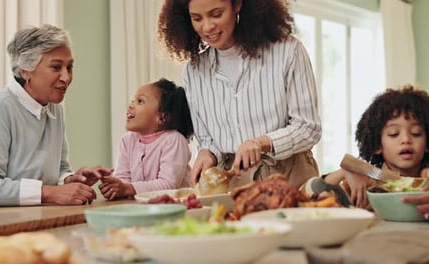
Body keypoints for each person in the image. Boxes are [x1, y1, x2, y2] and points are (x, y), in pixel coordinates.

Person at [0, 24, 113, 210]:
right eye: (56, 67)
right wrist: (49, 192)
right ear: (26, 70)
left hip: (7, 224)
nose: (66, 77)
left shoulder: (54, 110)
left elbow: (58, 170)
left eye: (69, 67)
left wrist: (70, 179)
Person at [157, 0, 321, 188]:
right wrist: (206, 154)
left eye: (216, 14)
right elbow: (208, 139)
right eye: (197, 18)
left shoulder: (288, 51)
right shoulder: (194, 70)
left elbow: (309, 128)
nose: (207, 26)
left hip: (289, 177)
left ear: (237, 5)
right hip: (233, 181)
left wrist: (262, 143)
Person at [321, 85, 429, 209]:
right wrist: (342, 173)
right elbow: (307, 194)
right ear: (377, 145)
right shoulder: (364, 181)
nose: (406, 140)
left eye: (416, 133)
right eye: (393, 133)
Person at [98, 78, 194, 200]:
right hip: (142, 207)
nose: (131, 105)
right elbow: (123, 178)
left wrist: (128, 188)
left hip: (175, 208)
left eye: (140, 101)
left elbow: (169, 185)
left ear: (162, 117)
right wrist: (114, 187)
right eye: (133, 100)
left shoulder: (174, 140)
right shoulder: (127, 140)